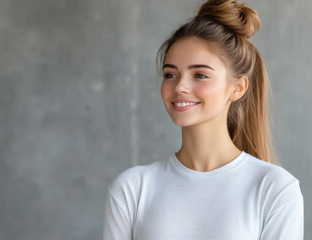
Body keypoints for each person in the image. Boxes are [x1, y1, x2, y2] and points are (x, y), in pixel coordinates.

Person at [102, 0, 304, 239]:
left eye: (200, 75)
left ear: (238, 87)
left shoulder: (275, 189)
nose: (180, 87)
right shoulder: (131, 189)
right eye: (170, 74)